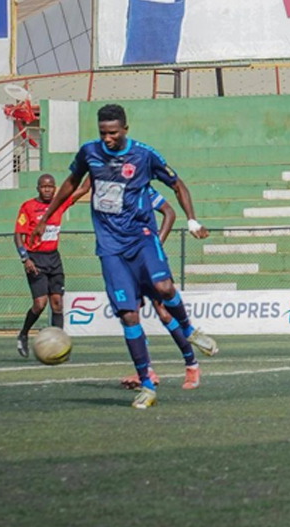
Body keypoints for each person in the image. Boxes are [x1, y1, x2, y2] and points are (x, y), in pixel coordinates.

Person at [33, 103, 217, 408]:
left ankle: (189, 330)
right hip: (110, 248)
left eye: (113, 133)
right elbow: (71, 184)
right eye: (103, 132)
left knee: (164, 289)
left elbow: (177, 184)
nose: (107, 139)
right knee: (128, 315)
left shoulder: (144, 155)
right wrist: (46, 218)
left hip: (142, 238)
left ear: (125, 130)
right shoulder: (89, 153)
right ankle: (147, 383)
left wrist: (192, 219)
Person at [119, 186, 204, 390]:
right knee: (131, 312)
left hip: (148, 256)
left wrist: (157, 243)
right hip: (124, 258)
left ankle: (191, 365)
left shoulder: (142, 187)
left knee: (163, 312)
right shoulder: (110, 188)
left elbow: (169, 212)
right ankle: (146, 370)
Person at [13, 174, 88, 357]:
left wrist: (94, 167)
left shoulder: (58, 204)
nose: (47, 189)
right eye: (43, 186)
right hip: (35, 259)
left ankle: (60, 346)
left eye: (50, 186)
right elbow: (18, 234)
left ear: (55, 189)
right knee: (40, 304)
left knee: (57, 304)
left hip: (53, 258)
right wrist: (25, 258)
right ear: (38, 188)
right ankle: (23, 334)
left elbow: (83, 190)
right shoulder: (28, 207)